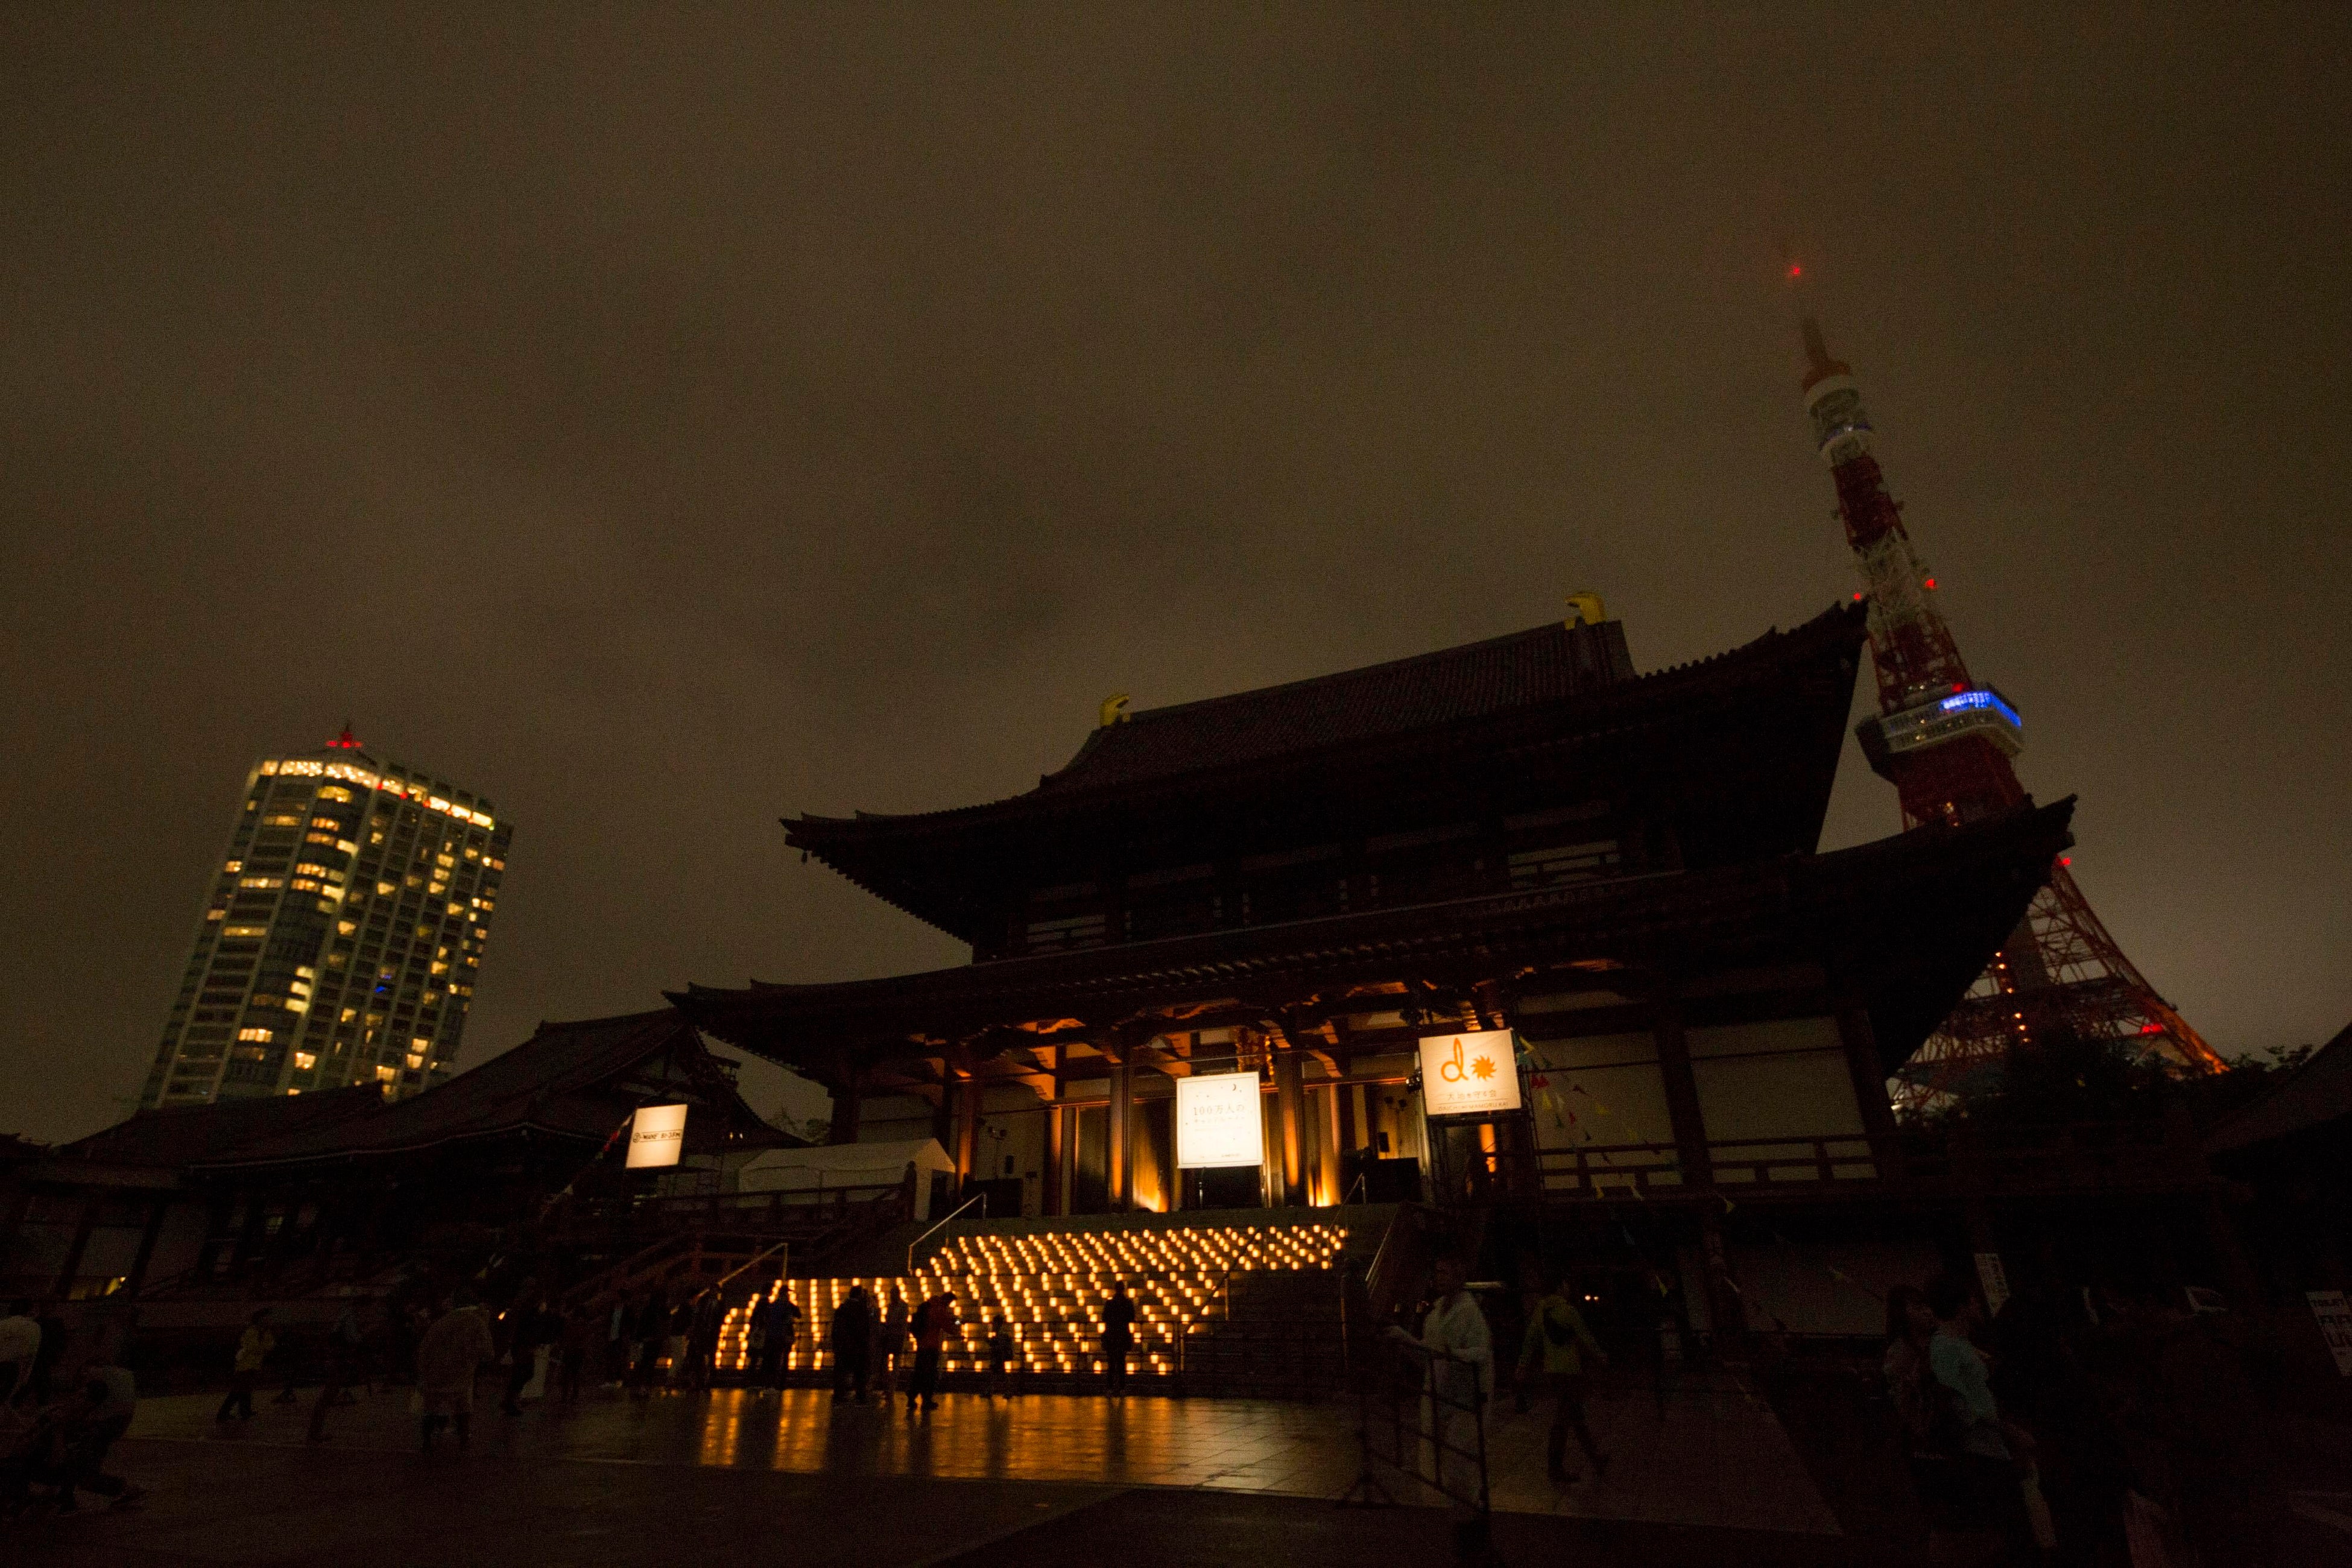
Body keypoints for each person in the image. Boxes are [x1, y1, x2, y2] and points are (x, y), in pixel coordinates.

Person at [1388, 1256, 1493, 1563]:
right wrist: (1409, 1345)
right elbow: (1429, 1358)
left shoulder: (1468, 1314)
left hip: (1462, 1399)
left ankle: (1471, 1532)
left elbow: (1479, 1353)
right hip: (1442, 1396)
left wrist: (1442, 1352)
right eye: (1437, 1272)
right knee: (1450, 1464)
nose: (1438, 1277)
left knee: (1463, 1463)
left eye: (1444, 1271)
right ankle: (1466, 1531)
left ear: (1458, 1277)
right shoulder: (1435, 1315)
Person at [1923, 1271, 2032, 1560]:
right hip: (1982, 1454)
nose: (1979, 1307)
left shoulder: (1951, 1346)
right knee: (2010, 1541)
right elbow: (1968, 1406)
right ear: (1962, 1306)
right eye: (1973, 1301)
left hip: (1985, 1451)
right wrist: (2013, 1432)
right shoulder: (1951, 1349)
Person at [1515, 1272, 1610, 1484]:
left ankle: (1596, 1459)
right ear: (1560, 1287)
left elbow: (1531, 1340)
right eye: (1566, 1285)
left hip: (1553, 1373)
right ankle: (1555, 1468)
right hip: (1570, 1372)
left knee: (1575, 1418)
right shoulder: (1568, 1312)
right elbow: (1586, 1338)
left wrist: (1522, 1365)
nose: (1568, 1288)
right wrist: (1601, 1357)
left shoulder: (1540, 1311)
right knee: (1564, 1421)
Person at [416, 1287, 496, 1451]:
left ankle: (427, 1439)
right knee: (463, 1405)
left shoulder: (442, 1323)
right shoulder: (476, 1322)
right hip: (462, 1372)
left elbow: (425, 1348)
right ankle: (464, 1437)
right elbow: (487, 1352)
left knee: (433, 1406)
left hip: (434, 1372)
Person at [306, 1301, 370, 1444]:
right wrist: (366, 1333)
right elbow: (354, 1338)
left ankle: (315, 1432)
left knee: (328, 1397)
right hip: (338, 1360)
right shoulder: (349, 1317)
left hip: (337, 1359)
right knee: (327, 1396)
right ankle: (314, 1433)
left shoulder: (344, 1316)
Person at [216, 1308, 274, 1423]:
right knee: (239, 1390)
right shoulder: (251, 1331)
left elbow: (268, 1346)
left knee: (245, 1389)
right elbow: (255, 1347)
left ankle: (244, 1411)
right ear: (261, 1319)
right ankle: (224, 1414)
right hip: (245, 1366)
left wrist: (263, 1347)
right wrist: (264, 1347)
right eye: (267, 1317)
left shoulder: (264, 1332)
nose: (270, 1320)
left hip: (253, 1365)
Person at [908, 1289, 955, 1415]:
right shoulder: (939, 1309)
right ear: (947, 1301)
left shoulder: (929, 1305)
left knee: (919, 1373)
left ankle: (911, 1398)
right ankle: (926, 1401)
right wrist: (957, 1321)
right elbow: (950, 1328)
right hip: (931, 1347)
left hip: (922, 1344)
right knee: (929, 1375)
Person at [832, 1286, 874, 1401]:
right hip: (858, 1346)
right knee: (860, 1372)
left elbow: (835, 1328)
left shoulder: (842, 1308)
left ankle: (839, 1395)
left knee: (841, 1372)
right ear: (859, 1295)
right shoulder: (861, 1309)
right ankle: (860, 1396)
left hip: (843, 1346)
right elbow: (865, 1329)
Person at [873, 1288, 908, 1399]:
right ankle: (887, 1387)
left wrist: (893, 1323)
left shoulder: (903, 1306)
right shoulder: (890, 1306)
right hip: (890, 1336)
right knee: (885, 1364)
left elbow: (903, 1320)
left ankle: (891, 1390)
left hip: (898, 1336)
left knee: (895, 1364)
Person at [1101, 1286, 1136, 1394]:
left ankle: (1110, 1388)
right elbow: (1132, 1318)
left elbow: (1104, 1318)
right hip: (1122, 1335)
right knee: (1121, 1362)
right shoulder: (1127, 1303)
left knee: (1111, 1363)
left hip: (1112, 1335)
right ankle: (1122, 1388)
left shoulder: (1109, 1303)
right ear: (1123, 1290)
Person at [987, 1315, 1017, 1397]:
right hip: (999, 1357)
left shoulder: (1001, 1334)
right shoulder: (999, 1334)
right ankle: (994, 1391)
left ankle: (993, 1391)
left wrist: (992, 1344)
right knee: (997, 1375)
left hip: (999, 1357)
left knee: (997, 1375)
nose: (993, 1325)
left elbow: (1000, 1346)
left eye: (994, 1324)